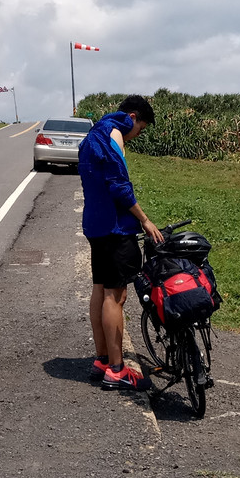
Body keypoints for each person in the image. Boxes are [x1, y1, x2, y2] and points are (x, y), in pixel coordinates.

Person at [78, 94, 163, 390]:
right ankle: (116, 369)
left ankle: (102, 359)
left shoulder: (95, 133)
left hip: (94, 224)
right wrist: (144, 219)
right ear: (132, 117)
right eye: (140, 128)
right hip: (114, 228)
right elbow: (119, 186)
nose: (137, 135)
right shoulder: (115, 134)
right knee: (117, 295)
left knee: (100, 289)